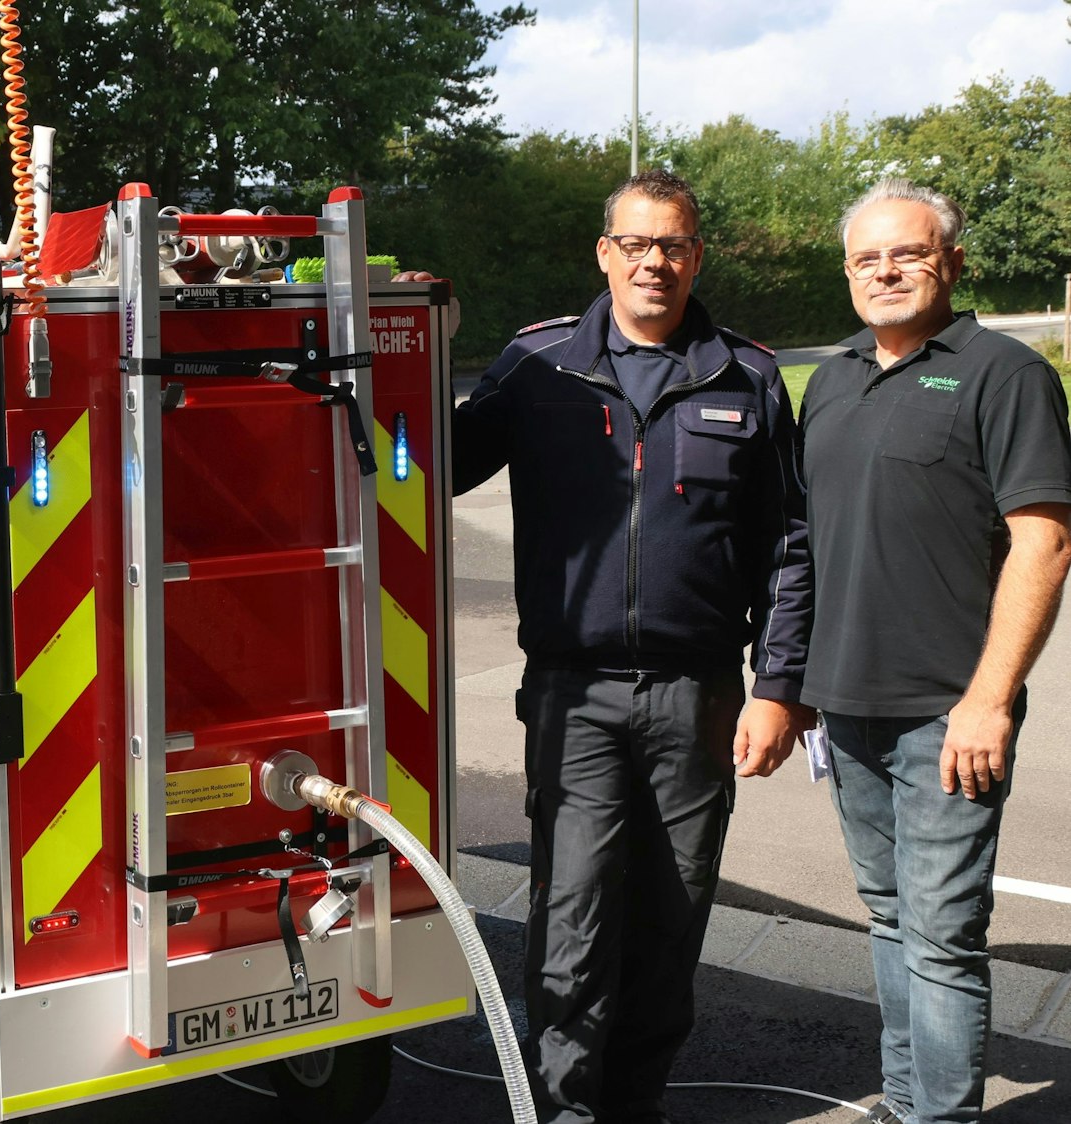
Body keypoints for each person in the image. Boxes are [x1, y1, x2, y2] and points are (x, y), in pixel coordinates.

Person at [448, 170, 812, 1123]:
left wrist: (778, 686)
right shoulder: (538, 364)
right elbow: (429, 466)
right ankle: (564, 1113)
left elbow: (790, 546)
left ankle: (636, 1106)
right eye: (638, 244)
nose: (656, 262)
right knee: (572, 923)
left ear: (697, 255)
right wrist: (400, 353)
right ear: (605, 253)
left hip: (700, 696)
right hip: (573, 694)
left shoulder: (747, 375)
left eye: (674, 245)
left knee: (670, 921)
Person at [801, 180, 1071, 1124]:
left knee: (944, 938)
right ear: (848, 273)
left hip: (949, 713)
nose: (886, 271)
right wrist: (794, 687)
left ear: (951, 263)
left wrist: (990, 699)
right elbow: (807, 543)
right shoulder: (831, 379)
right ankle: (907, 1101)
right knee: (889, 919)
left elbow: (1045, 542)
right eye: (867, 258)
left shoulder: (1006, 374)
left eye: (908, 253)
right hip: (846, 705)